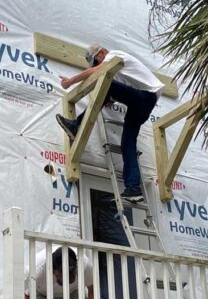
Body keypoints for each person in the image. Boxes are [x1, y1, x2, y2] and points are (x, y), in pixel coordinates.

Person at [56, 44, 163, 203]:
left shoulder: (114, 53)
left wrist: (70, 82)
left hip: (145, 97)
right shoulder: (118, 68)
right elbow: (127, 86)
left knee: (105, 82)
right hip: (143, 103)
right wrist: (110, 98)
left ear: (102, 53)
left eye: (96, 62)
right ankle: (133, 189)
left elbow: (99, 72)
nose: (96, 66)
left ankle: (77, 125)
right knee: (128, 143)